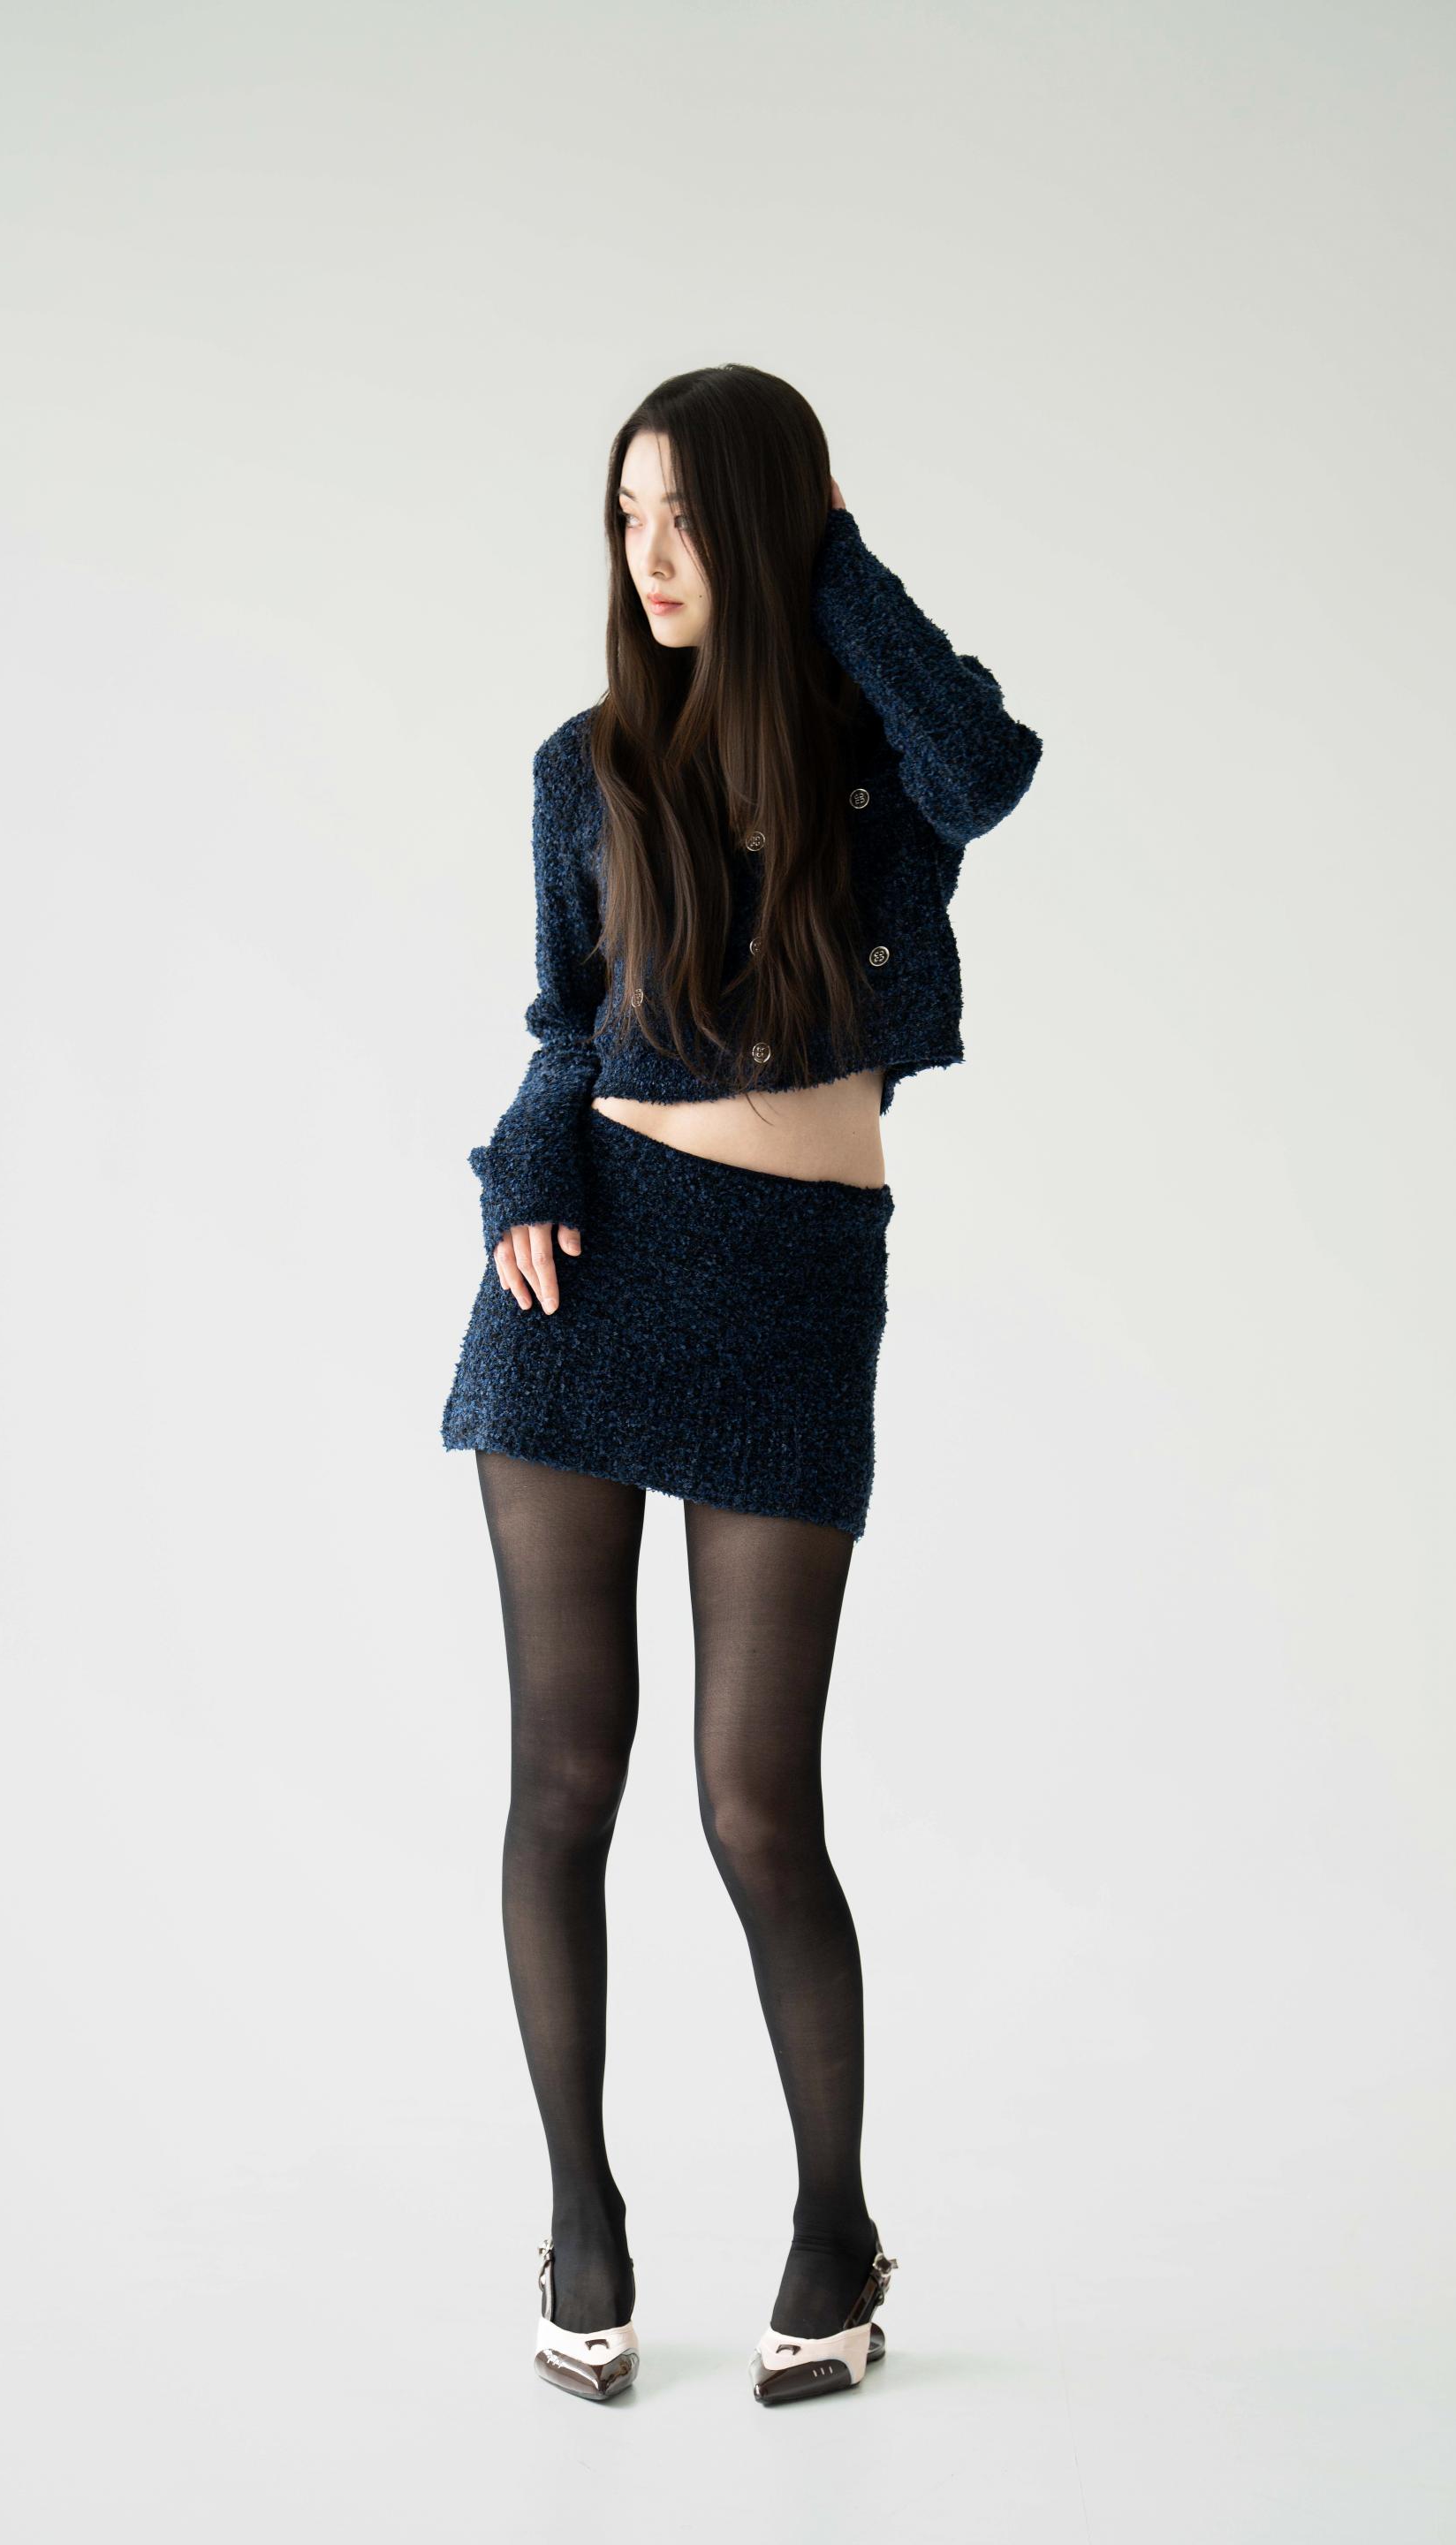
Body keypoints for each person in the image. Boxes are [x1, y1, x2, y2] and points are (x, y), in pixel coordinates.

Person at [440, 363, 1043, 2405]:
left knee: (754, 1802)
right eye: (629, 515)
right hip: (585, 1273)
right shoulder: (583, 766)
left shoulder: (881, 749)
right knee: (562, 1780)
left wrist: (832, 549)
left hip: (788, 1285)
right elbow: (565, 1025)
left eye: (695, 512)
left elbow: (989, 769)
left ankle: (833, 2228)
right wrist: (525, 1169)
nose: (654, 553)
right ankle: (583, 2220)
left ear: (779, 520)